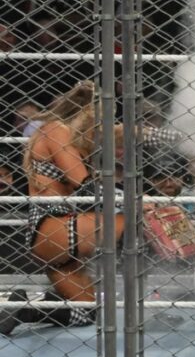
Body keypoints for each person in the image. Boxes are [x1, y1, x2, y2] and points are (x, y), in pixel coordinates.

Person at [0, 81, 120, 334]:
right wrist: (131, 200)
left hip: (58, 229)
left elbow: (122, 134)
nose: (99, 130)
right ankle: (172, 259)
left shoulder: (64, 135)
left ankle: (26, 309)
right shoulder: (57, 130)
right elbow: (84, 185)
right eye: (99, 122)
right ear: (88, 115)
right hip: (55, 224)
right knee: (135, 218)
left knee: (85, 312)